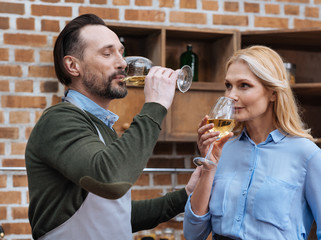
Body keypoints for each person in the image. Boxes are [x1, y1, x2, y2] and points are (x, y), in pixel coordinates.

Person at [25, 13, 200, 240]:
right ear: (72, 65)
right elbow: (110, 180)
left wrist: (186, 195)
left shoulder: (102, 126)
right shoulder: (59, 121)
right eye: (107, 53)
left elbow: (116, 217)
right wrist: (156, 105)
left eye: (121, 52)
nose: (122, 63)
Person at [183, 46, 321, 239]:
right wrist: (209, 167)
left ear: (273, 92)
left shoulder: (306, 154)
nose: (230, 95)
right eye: (228, 85)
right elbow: (193, 234)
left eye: (244, 85)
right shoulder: (223, 149)